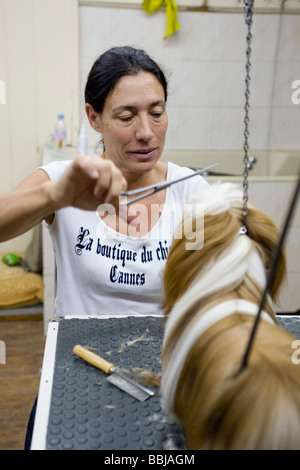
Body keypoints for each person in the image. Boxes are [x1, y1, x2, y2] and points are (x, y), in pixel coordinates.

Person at [0, 45, 208, 319]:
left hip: (160, 352)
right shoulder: (67, 180)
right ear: (94, 117)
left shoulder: (189, 189)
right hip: (79, 352)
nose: (146, 132)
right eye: (127, 117)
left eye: (156, 113)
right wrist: (56, 197)